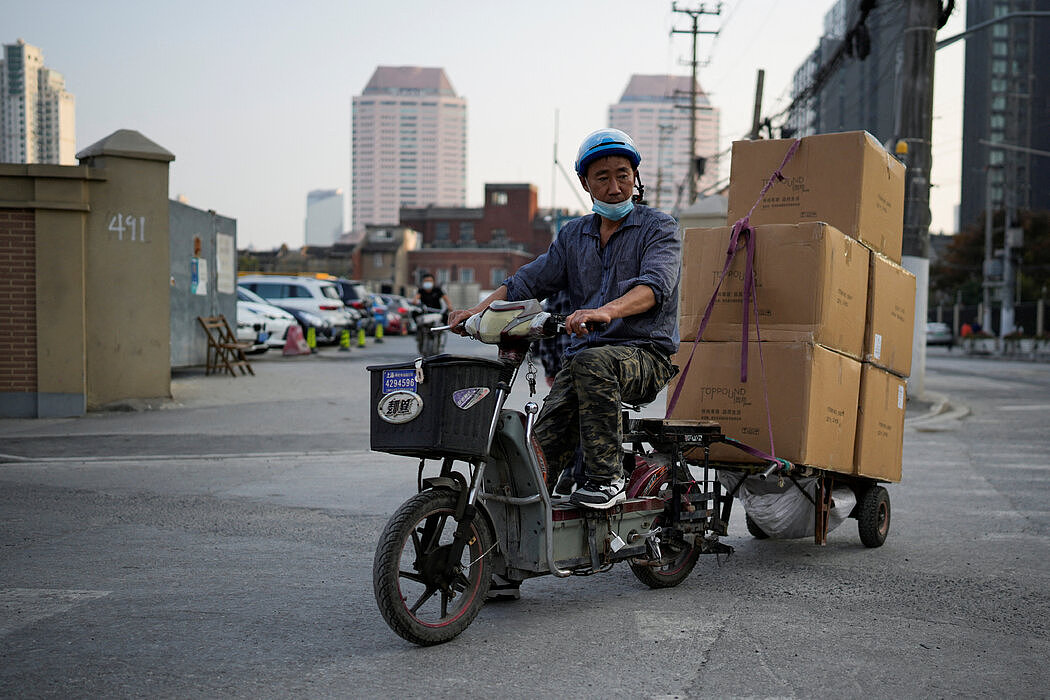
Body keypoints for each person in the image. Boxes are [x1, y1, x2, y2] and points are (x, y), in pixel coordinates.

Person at [449, 128, 680, 510]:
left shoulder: (659, 228)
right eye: (602, 177)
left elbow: (654, 287)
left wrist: (607, 310)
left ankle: (608, 479)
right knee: (537, 453)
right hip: (584, 363)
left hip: (645, 357)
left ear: (636, 177)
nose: (615, 187)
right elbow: (527, 281)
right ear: (585, 184)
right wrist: (478, 311)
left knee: (592, 362)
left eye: (623, 174)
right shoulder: (574, 236)